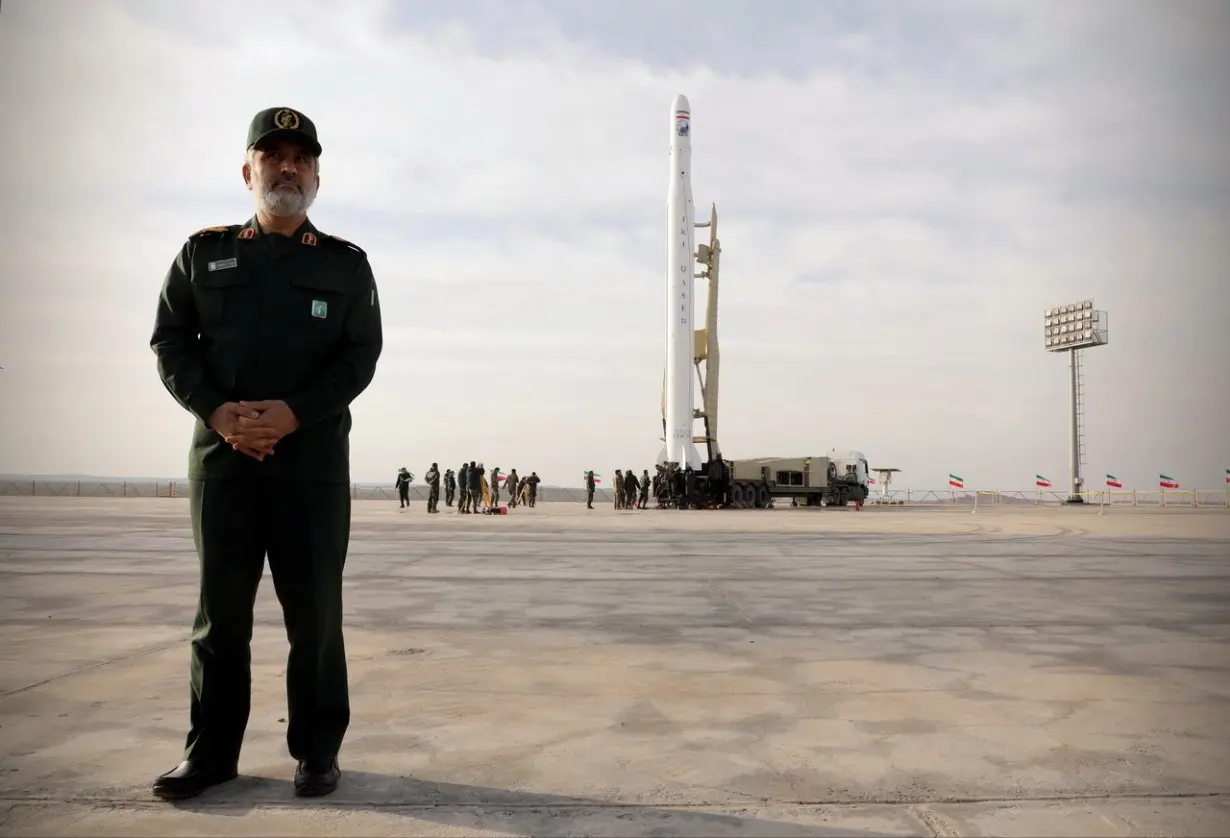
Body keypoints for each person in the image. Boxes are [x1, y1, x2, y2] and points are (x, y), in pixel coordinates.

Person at [148, 106, 382, 800]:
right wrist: (218, 412)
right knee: (221, 617)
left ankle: (316, 752)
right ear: (248, 170)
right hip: (223, 464)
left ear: (316, 175)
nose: (288, 168)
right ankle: (211, 753)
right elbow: (170, 341)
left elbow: (360, 356)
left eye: (301, 158)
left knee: (314, 616)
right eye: (273, 155)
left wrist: (294, 413)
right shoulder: (203, 253)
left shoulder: (346, 265)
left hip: (309, 468)